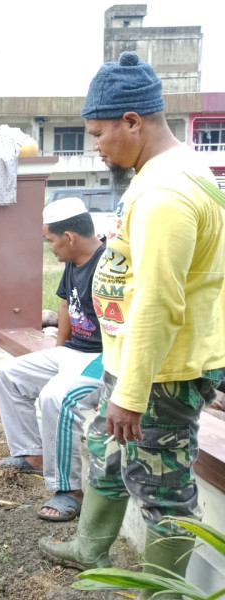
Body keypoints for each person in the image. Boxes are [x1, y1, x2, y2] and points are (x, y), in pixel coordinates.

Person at [39, 51, 225, 595]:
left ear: (132, 122)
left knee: (163, 489)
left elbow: (159, 300)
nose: (95, 145)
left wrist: (134, 391)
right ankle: (90, 547)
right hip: (136, 365)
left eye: (98, 133)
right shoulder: (157, 175)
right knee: (108, 451)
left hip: (161, 374)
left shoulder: (166, 193)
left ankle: (161, 591)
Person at [0, 197, 106, 521]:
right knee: (9, 376)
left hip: (103, 354)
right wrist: (58, 351)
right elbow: (64, 305)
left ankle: (70, 489)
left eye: (51, 240)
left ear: (68, 236)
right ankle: (33, 456)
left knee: (58, 398)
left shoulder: (108, 264)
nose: (50, 247)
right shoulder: (74, 261)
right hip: (74, 351)